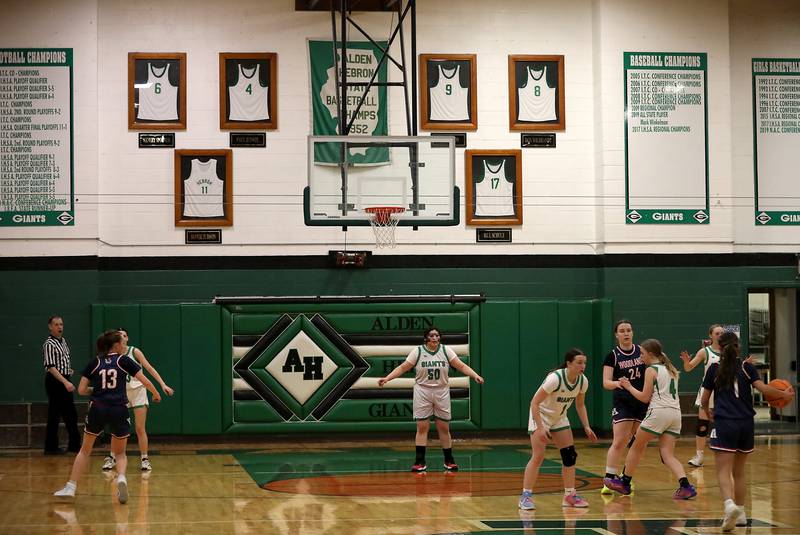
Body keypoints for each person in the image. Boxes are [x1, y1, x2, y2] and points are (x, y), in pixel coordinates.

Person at [700, 330, 794, 531]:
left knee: (723, 471)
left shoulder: (714, 369)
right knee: (739, 471)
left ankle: (729, 505)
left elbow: (704, 398)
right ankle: (741, 513)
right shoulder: (747, 367)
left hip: (725, 423)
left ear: (720, 347)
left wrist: (709, 411)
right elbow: (765, 390)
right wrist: (783, 393)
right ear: (738, 346)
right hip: (746, 424)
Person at [54, 330, 162, 503]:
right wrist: (156, 394)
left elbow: (81, 390)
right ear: (116, 345)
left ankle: (71, 485)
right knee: (120, 453)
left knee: (85, 450)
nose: (124, 345)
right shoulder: (124, 360)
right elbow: (145, 381)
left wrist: (96, 390)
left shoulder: (95, 362)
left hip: (98, 408)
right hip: (119, 409)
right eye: (122, 343)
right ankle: (121, 478)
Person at [377, 326, 484, 472]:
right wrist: (387, 378)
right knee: (422, 427)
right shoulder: (418, 351)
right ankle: (420, 461)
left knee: (443, 427)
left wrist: (475, 375)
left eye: (437, 335)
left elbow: (461, 365)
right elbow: (403, 367)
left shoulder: (446, 350)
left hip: (441, 390)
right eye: (432, 335)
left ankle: (449, 460)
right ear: (426, 338)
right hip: (423, 391)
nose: (435, 338)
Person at [605, 339, 697, 499]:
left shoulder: (651, 370)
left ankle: (625, 483)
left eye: (642, 354)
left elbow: (644, 397)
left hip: (658, 413)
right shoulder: (672, 369)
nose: (640, 357)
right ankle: (685, 486)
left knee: (635, 446)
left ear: (651, 354)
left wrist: (628, 386)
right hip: (675, 415)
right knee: (667, 455)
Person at [518, 348, 598, 511]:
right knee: (538, 456)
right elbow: (534, 403)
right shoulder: (555, 379)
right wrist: (540, 428)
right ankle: (525, 496)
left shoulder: (583, 381)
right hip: (540, 415)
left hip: (559, 418)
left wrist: (587, 426)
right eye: (579, 363)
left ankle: (569, 495)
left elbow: (580, 404)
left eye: (584, 363)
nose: (583, 366)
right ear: (569, 363)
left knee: (569, 456)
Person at [102, 328, 174, 472]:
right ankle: (112, 457)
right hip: (121, 393)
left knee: (140, 428)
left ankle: (144, 459)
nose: (121, 337)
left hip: (139, 390)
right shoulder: (113, 354)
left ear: (127, 338)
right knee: (117, 428)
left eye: (124, 335)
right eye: (119, 335)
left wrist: (162, 384)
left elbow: (149, 368)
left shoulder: (134, 352)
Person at [600, 319, 646, 494]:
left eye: (629, 330)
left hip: (641, 401)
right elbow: (605, 382)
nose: (626, 333)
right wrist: (618, 383)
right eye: (622, 330)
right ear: (616, 335)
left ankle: (626, 478)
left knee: (637, 444)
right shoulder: (612, 356)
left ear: (632, 333)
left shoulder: (642, 352)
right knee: (619, 441)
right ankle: (609, 480)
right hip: (623, 402)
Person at [679, 324, 724, 467]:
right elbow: (688, 368)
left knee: (723, 424)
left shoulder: (729, 352)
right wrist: (686, 362)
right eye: (717, 333)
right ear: (710, 335)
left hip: (724, 392)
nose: (720, 335)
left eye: (722, 333)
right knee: (702, 425)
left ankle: (725, 453)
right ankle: (699, 457)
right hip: (707, 392)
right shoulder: (705, 352)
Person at [43, 315, 81, 455]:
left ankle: (74, 445)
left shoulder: (63, 341)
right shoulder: (49, 344)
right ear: (50, 327)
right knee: (55, 414)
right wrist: (65, 382)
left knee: (70, 414)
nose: (60, 327)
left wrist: (68, 371)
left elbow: (63, 360)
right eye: (56, 324)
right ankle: (51, 447)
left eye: (61, 324)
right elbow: (51, 367)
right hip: (55, 382)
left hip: (64, 378)